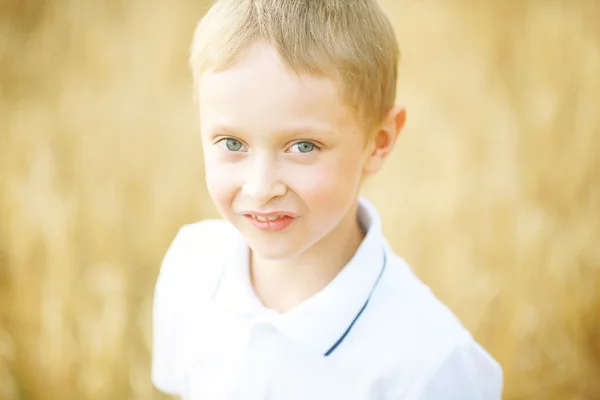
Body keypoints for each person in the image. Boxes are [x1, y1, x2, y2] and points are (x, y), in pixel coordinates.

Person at [152, 0, 504, 398]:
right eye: (232, 142)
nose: (261, 187)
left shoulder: (432, 365)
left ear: (379, 141)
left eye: (303, 146)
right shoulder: (190, 268)